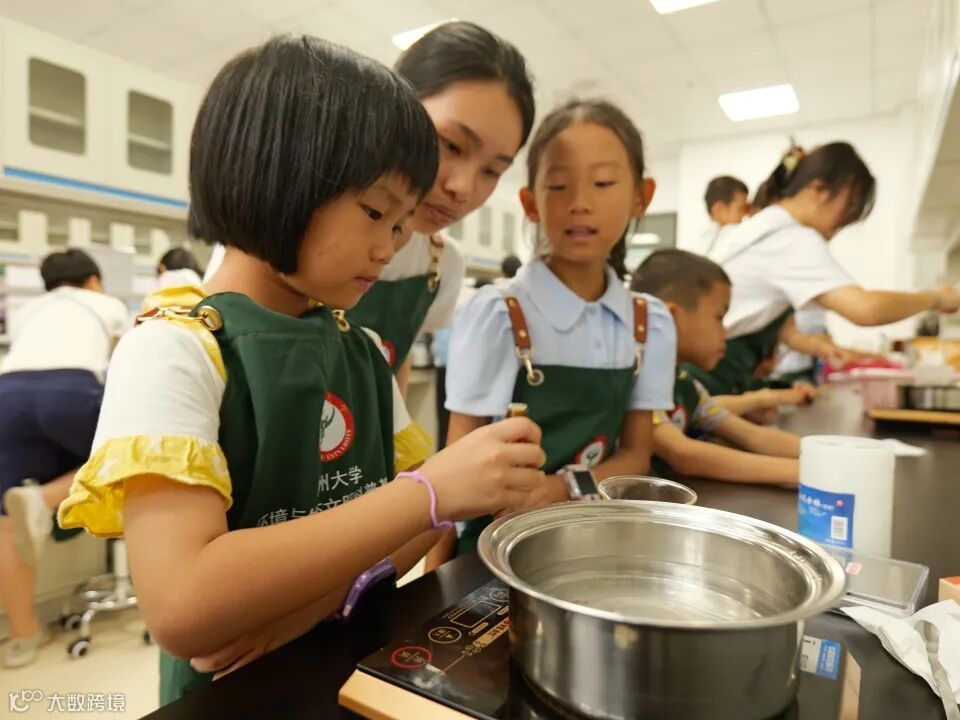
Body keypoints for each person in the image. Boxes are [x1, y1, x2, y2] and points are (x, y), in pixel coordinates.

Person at [56, 37, 545, 705]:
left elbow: (426, 528)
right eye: (375, 213)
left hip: (350, 667)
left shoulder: (362, 349)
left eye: (402, 226)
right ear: (276, 177)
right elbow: (183, 603)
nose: (387, 248)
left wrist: (305, 609)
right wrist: (426, 490)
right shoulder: (172, 349)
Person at [438, 98, 677, 561]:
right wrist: (435, 581)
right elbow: (454, 471)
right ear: (531, 203)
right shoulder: (499, 313)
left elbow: (636, 456)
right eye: (558, 186)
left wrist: (563, 486)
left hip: (598, 541)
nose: (580, 203)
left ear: (641, 197)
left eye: (603, 183)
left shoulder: (649, 322)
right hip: (495, 550)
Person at [346, 21, 535, 391]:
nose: (463, 189)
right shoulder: (302, 224)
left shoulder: (439, 265)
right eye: (450, 145)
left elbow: (393, 361)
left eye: (492, 171)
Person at [694, 142, 960, 396]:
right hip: (709, 374)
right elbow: (866, 309)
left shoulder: (764, 226)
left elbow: (785, 330)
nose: (848, 219)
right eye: (850, 204)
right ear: (818, 190)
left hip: (712, 371)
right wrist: (935, 297)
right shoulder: (790, 237)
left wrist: (825, 349)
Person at [0, 248, 129, 668]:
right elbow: (125, 365)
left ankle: (22, 637)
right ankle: (44, 499)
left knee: (6, 523)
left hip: (7, 394)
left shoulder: (26, 310)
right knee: (126, 455)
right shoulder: (106, 304)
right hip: (70, 391)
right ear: (93, 280)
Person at [632, 250, 800, 486]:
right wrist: (810, 474)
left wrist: (829, 457)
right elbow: (683, 454)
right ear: (671, 318)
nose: (726, 332)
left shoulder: (684, 383)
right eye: (719, 317)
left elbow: (752, 436)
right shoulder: (635, 380)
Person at [701, 175, 749, 256]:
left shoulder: (698, 243)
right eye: (740, 209)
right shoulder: (734, 237)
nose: (744, 215)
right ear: (719, 209)